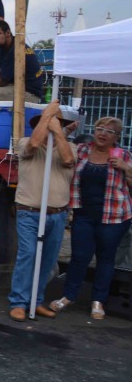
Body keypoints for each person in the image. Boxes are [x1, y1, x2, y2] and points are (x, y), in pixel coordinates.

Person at [50, 117, 132, 321]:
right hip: (83, 214)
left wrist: (126, 168)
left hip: (114, 216)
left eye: (109, 131)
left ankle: (98, 301)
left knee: (105, 259)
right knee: (79, 257)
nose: (103, 133)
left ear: (117, 136)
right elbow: (57, 150)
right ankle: (68, 296)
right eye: (100, 129)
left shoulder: (123, 155)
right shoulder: (82, 150)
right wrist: (65, 131)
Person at [6, 102, 77, 321]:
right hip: (29, 211)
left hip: (57, 214)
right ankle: (18, 302)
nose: (48, 128)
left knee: (47, 260)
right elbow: (35, 143)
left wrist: (58, 131)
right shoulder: (25, 143)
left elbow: (67, 160)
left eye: (53, 124)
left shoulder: (69, 147)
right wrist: (47, 115)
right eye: (44, 125)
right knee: (27, 255)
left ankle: (35, 302)